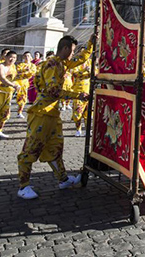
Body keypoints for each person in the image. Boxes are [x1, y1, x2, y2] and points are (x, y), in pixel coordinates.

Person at [17, 35, 93, 200]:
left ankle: (63, 179)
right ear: (65, 49)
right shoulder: (53, 64)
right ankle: (23, 186)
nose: (73, 54)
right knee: (31, 148)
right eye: (72, 51)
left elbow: (78, 60)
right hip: (42, 113)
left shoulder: (62, 63)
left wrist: (90, 44)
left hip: (52, 113)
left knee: (55, 147)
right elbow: (53, 91)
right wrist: (77, 95)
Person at [71, 46, 93, 136]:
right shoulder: (76, 62)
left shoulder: (90, 62)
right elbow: (75, 74)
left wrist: (90, 71)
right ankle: (78, 129)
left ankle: (88, 130)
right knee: (77, 112)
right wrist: (85, 71)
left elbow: (94, 72)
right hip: (78, 90)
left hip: (88, 89)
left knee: (88, 113)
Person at [14, 53, 37, 119]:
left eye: (28, 56)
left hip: (26, 83)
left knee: (23, 98)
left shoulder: (32, 65)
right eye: (25, 56)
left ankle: (19, 112)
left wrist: (24, 72)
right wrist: (25, 72)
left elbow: (32, 73)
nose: (27, 57)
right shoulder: (20, 65)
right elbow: (18, 72)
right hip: (18, 82)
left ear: (30, 57)